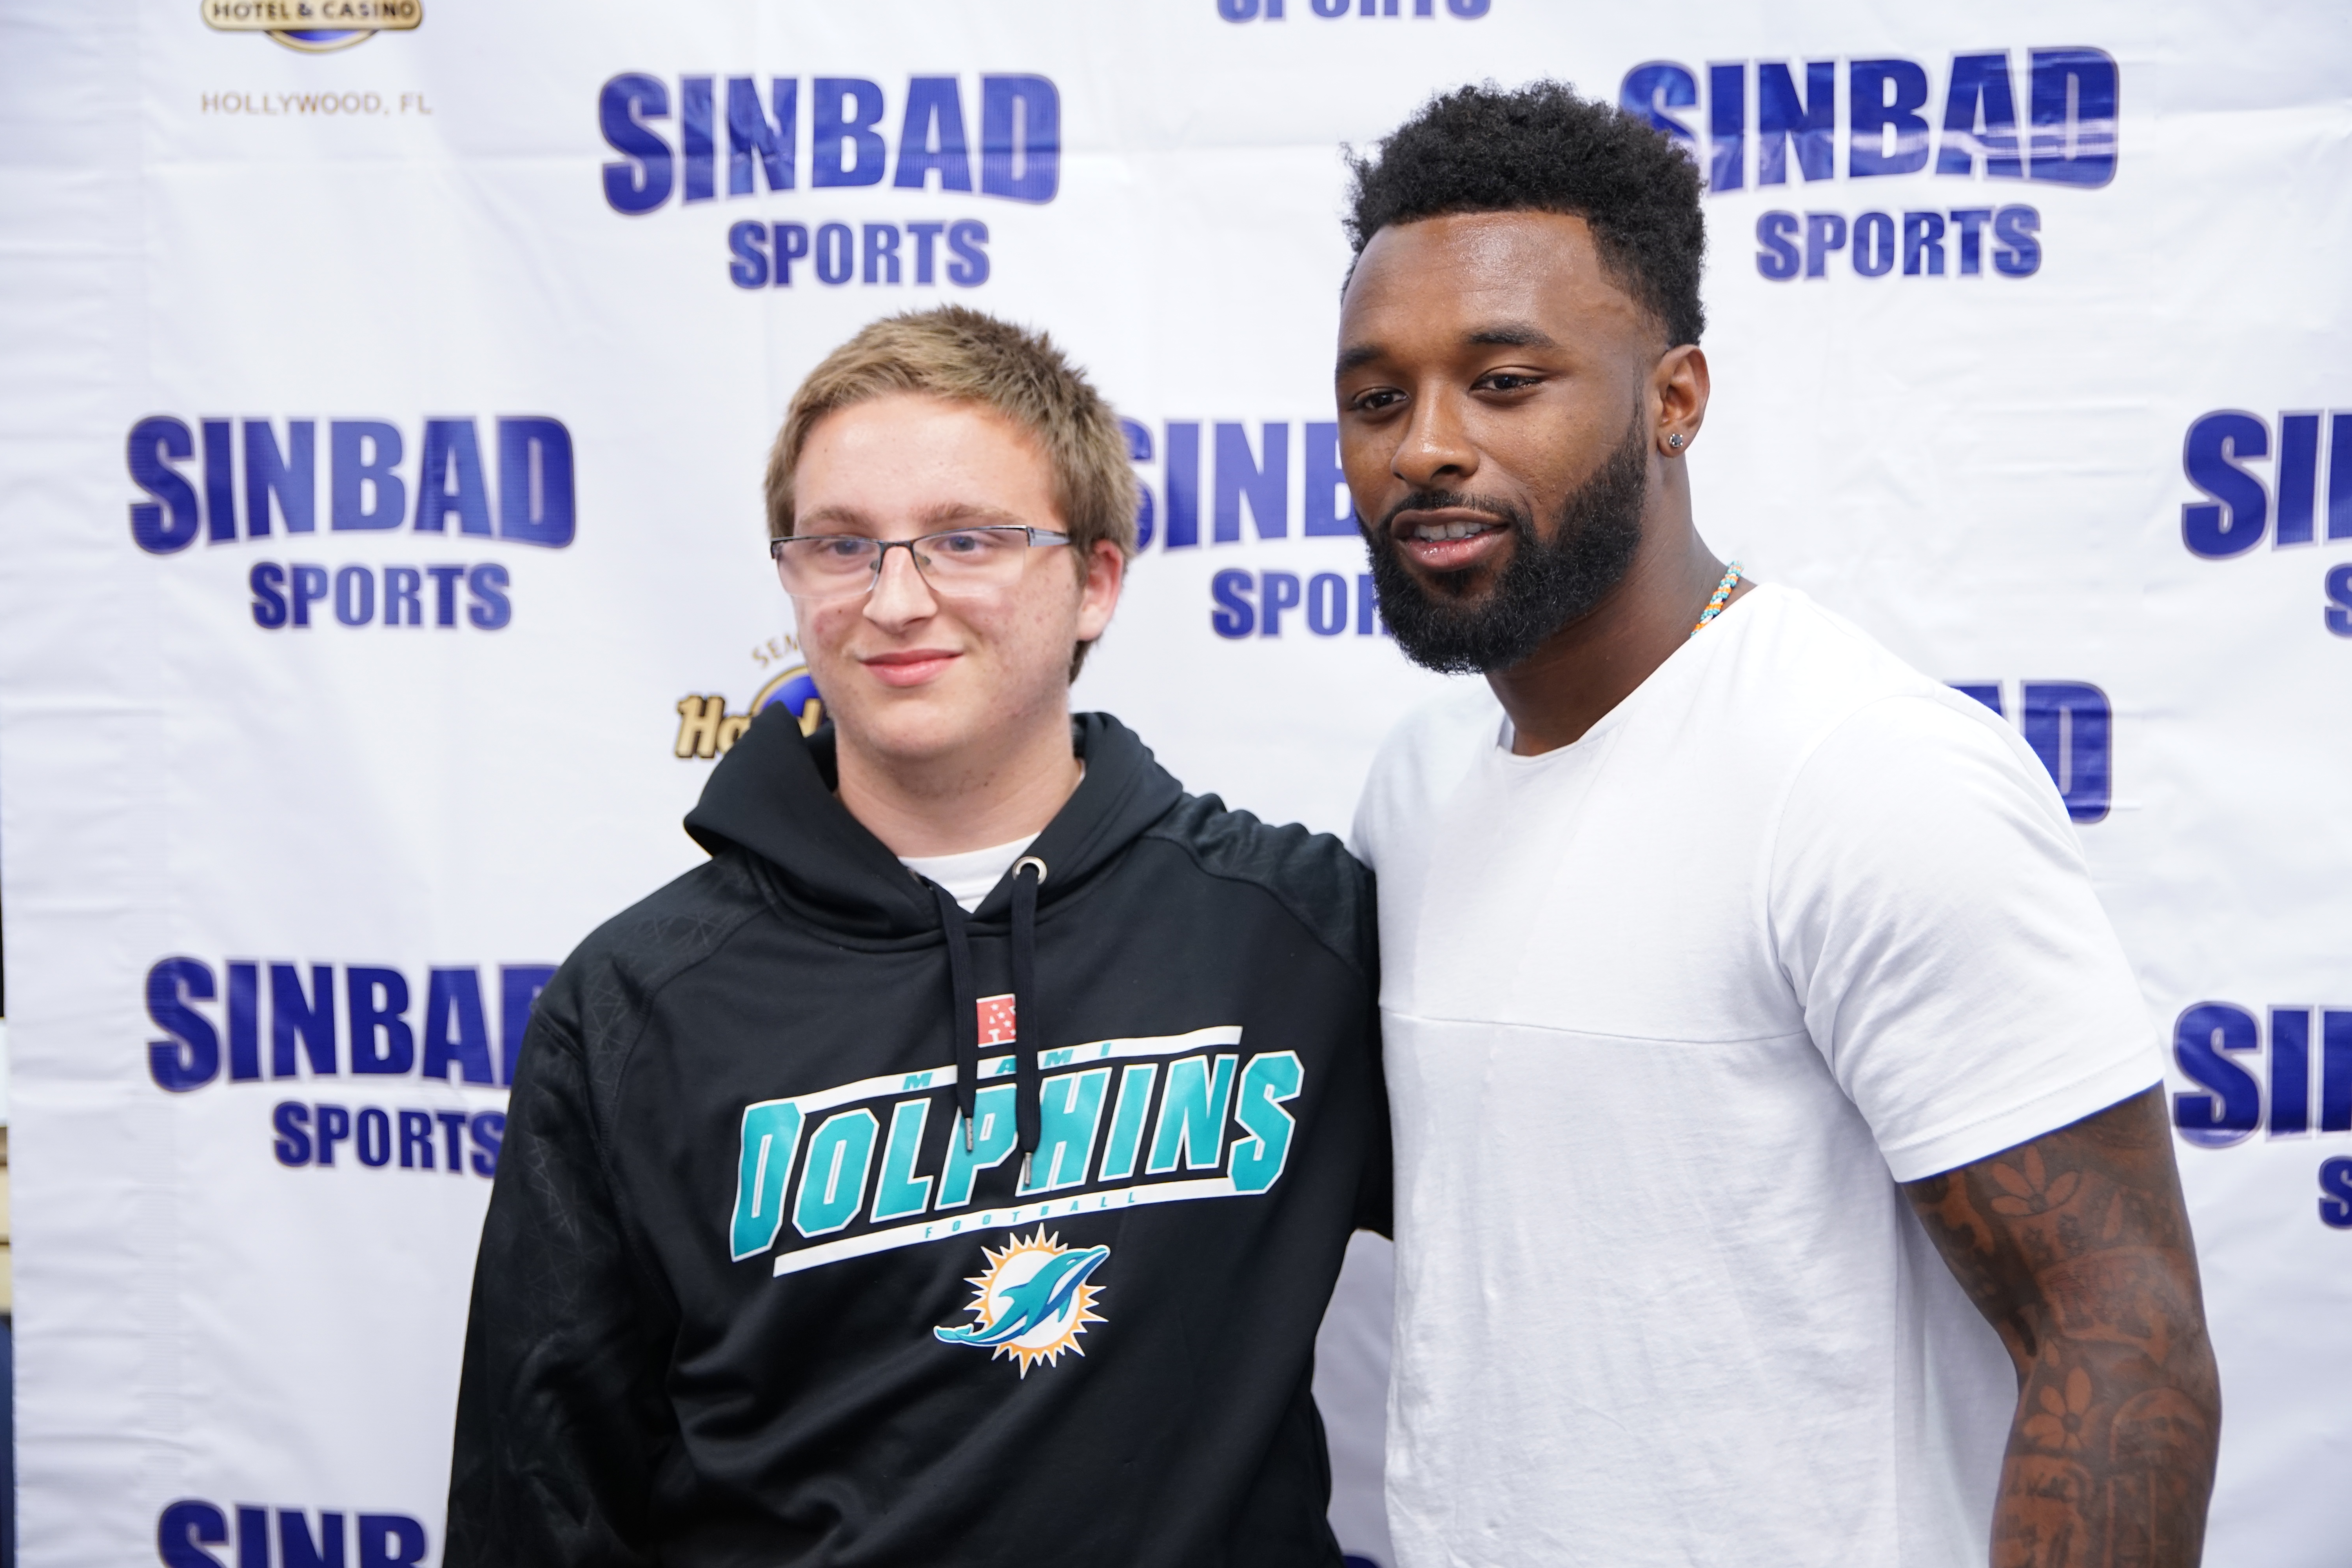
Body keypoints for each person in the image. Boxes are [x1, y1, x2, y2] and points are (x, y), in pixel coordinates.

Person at [1337, 84, 2218, 1568]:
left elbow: (2120, 1333)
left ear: (1674, 398)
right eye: (1379, 398)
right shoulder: (1418, 784)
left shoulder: (1866, 773)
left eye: (1505, 381)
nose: (1427, 445)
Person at [445, 306, 1387, 1566]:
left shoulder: (1299, 934)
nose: (896, 598)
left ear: (1097, 578)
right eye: (842, 546)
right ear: (791, 577)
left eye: (965, 538)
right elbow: (542, 1495)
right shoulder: (636, 1005)